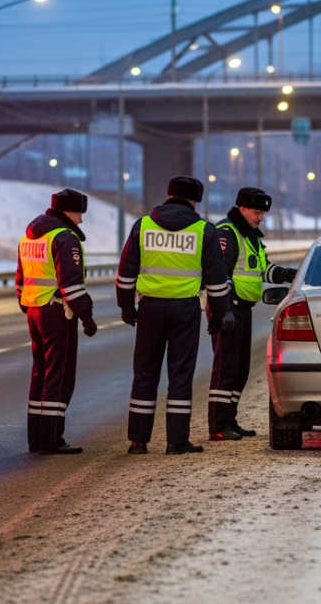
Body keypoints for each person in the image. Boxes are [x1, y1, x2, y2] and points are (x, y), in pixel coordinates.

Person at [116, 176, 232, 454]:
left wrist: (126, 307)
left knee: (144, 374)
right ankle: (176, 441)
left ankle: (138, 441)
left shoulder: (142, 226)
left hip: (150, 308)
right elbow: (217, 281)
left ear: (168, 195)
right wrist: (218, 315)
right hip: (185, 310)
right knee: (180, 375)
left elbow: (125, 272)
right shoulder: (204, 231)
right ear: (195, 201)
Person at [207, 187, 297, 441]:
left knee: (240, 369)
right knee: (225, 368)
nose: (260, 218)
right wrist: (224, 310)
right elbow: (220, 273)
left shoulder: (252, 237)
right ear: (242, 209)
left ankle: (229, 420)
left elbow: (261, 269)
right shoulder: (228, 232)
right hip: (229, 307)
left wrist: (286, 274)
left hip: (243, 308)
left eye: (263, 214)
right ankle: (218, 425)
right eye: (257, 212)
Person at [16, 188, 98, 455]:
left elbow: (21, 280)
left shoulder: (29, 237)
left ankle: (36, 439)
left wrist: (28, 304)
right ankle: (51, 439)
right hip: (57, 312)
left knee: (40, 375)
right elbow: (71, 285)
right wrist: (86, 316)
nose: (81, 220)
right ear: (68, 212)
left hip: (35, 311)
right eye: (79, 214)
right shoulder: (64, 238)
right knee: (59, 376)